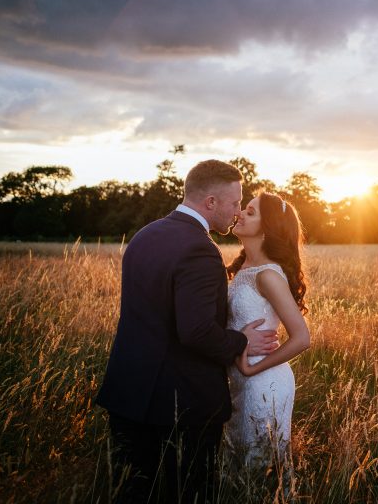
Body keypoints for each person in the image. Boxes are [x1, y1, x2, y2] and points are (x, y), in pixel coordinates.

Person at [96, 160, 279, 504]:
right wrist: (242, 340)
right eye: (235, 202)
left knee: (131, 493)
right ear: (211, 202)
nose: (238, 211)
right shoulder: (200, 248)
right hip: (180, 407)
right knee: (188, 494)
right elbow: (195, 331)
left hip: (127, 395)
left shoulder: (144, 235)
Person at [224, 192, 310, 483]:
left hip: (264, 380)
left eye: (250, 212)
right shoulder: (244, 268)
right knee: (239, 464)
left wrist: (252, 368)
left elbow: (301, 337)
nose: (241, 214)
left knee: (258, 470)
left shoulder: (268, 275)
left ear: (267, 227)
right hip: (240, 379)